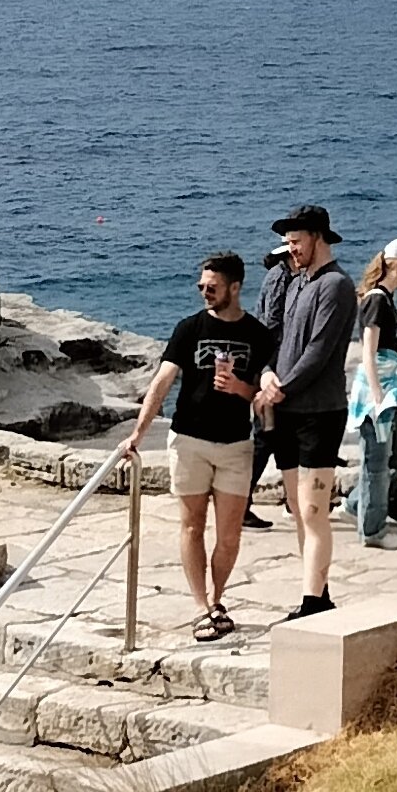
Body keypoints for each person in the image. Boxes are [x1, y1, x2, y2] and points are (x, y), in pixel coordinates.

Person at [133, 251, 273, 642]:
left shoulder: (258, 335)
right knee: (192, 526)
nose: (204, 292)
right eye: (201, 286)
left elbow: (261, 394)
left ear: (235, 287)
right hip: (189, 440)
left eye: (212, 287)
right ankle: (202, 607)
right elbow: (162, 381)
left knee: (229, 536)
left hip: (235, 445)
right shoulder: (189, 328)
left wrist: (239, 387)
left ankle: (217, 598)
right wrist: (138, 433)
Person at [257, 205, 357, 618]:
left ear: (318, 237)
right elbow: (275, 336)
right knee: (299, 510)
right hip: (287, 409)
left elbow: (319, 350)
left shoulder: (337, 285)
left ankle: (313, 602)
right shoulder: (296, 282)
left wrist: (283, 387)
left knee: (314, 509)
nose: (291, 249)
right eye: (288, 243)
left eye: (296, 241)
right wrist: (266, 373)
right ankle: (317, 590)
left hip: (320, 411)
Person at [349, 237, 397, 551]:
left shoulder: (387, 298)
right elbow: (368, 349)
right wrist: (377, 393)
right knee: (376, 462)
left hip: (392, 387)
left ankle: (358, 503)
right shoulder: (377, 300)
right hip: (378, 390)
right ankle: (372, 530)